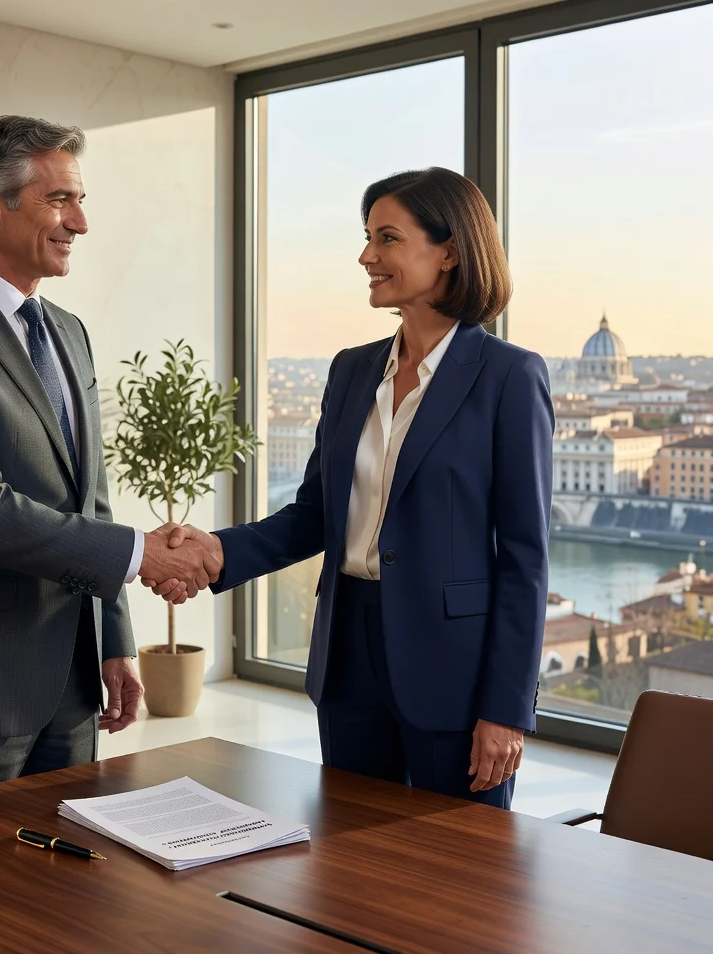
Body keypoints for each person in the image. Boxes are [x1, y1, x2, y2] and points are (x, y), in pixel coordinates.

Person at [151, 167, 553, 809]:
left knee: (460, 880)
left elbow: (526, 558)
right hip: (348, 656)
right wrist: (216, 551)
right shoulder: (352, 370)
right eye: (367, 238)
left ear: (449, 250)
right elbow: (316, 514)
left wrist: (508, 709)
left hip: (453, 670)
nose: (367, 256)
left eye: (387, 238)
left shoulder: (510, 377)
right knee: (348, 864)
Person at [0, 115, 215, 801]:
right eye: (61, 200)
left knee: (66, 894)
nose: (79, 223)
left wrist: (113, 637)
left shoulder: (68, 333)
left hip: (71, 679)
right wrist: (143, 555)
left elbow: (93, 498)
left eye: (80, 201)